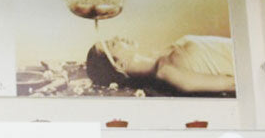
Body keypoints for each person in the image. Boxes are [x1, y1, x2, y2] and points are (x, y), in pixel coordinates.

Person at [85, 35, 235, 95]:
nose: (117, 37)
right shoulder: (169, 73)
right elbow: (233, 84)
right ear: (121, 65)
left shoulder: (165, 54)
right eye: (112, 44)